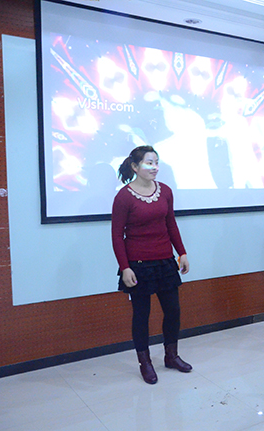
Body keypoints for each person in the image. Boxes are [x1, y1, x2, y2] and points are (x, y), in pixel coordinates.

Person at [112, 145, 192, 384]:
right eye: (149, 163)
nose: (154, 167)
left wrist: (182, 253)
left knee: (173, 310)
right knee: (141, 315)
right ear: (135, 167)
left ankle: (171, 356)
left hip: (165, 261)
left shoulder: (165, 191)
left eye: (156, 162)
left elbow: (171, 224)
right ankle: (145, 362)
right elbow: (117, 235)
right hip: (138, 265)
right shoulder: (124, 197)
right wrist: (125, 267)